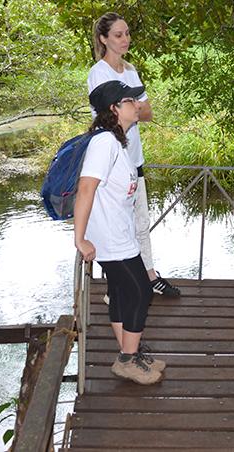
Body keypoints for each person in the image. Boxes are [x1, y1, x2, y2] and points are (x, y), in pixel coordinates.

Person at [73, 80, 165, 385]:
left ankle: (130, 350)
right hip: (109, 238)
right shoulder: (105, 143)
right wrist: (80, 238)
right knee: (141, 291)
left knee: (124, 292)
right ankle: (126, 359)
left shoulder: (117, 141)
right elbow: (86, 188)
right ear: (114, 109)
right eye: (130, 101)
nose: (137, 105)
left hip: (119, 234)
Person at [88, 13, 180, 298]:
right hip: (112, 160)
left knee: (140, 220)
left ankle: (149, 275)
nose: (125, 39)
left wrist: (132, 109)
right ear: (103, 39)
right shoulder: (99, 73)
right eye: (118, 35)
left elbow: (147, 112)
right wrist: (134, 108)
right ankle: (116, 287)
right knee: (119, 225)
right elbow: (108, 116)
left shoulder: (130, 71)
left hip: (134, 158)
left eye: (127, 33)